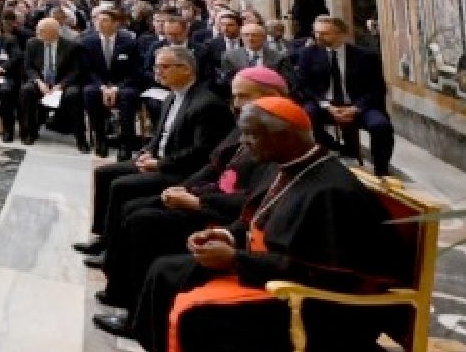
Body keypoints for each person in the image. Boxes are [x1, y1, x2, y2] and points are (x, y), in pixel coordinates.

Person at [126, 97, 407, 351]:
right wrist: (225, 236)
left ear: (283, 137)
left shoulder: (331, 192)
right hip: (272, 274)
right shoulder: (288, 167)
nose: (243, 142)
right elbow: (257, 219)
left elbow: (326, 274)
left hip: (322, 308)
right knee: (165, 271)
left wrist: (235, 259)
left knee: (197, 315)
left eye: (251, 134)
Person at [94, 67, 288, 324]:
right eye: (235, 96)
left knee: (143, 221)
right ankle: (120, 291)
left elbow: (257, 200)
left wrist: (198, 202)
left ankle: (135, 315)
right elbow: (214, 165)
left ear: (273, 96)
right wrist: (185, 188)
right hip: (208, 196)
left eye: (243, 96)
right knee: (134, 208)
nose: (236, 104)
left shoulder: (281, 138)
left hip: (223, 214)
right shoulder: (251, 122)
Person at [74, 44, 234, 264]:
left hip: (181, 170)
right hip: (160, 159)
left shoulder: (206, 104)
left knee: (120, 186)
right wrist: (146, 152)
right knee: (104, 173)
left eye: (164, 67)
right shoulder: (171, 96)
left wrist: (159, 164)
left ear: (186, 69)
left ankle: (114, 252)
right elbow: (160, 135)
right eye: (157, 67)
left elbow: (201, 152)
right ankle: (105, 236)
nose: (158, 72)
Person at [294, 16, 394, 177]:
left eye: (325, 33)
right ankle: (330, 152)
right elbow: (304, 86)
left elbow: (377, 88)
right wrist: (326, 105)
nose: (318, 37)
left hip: (358, 105)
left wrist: (355, 108)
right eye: (316, 32)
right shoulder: (308, 54)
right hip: (323, 105)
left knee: (380, 126)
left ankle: (381, 172)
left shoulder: (366, 56)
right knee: (305, 118)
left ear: (341, 34)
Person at [83, 8, 145, 160]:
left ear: (115, 23)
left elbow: (135, 71)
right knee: (90, 92)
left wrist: (117, 88)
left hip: (124, 84)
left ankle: (125, 144)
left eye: (104, 20)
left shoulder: (130, 42)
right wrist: (103, 87)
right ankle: (100, 139)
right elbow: (87, 70)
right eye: (97, 20)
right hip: (99, 83)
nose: (99, 23)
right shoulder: (88, 42)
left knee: (128, 96)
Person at [23, 17, 87, 149]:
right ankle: (31, 132)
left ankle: (80, 138)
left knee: (73, 94)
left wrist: (61, 85)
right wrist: (38, 81)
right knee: (27, 90)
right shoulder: (32, 43)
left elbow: (76, 71)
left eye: (41, 30)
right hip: (41, 81)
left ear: (54, 32)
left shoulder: (71, 46)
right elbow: (29, 67)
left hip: (63, 83)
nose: (37, 33)